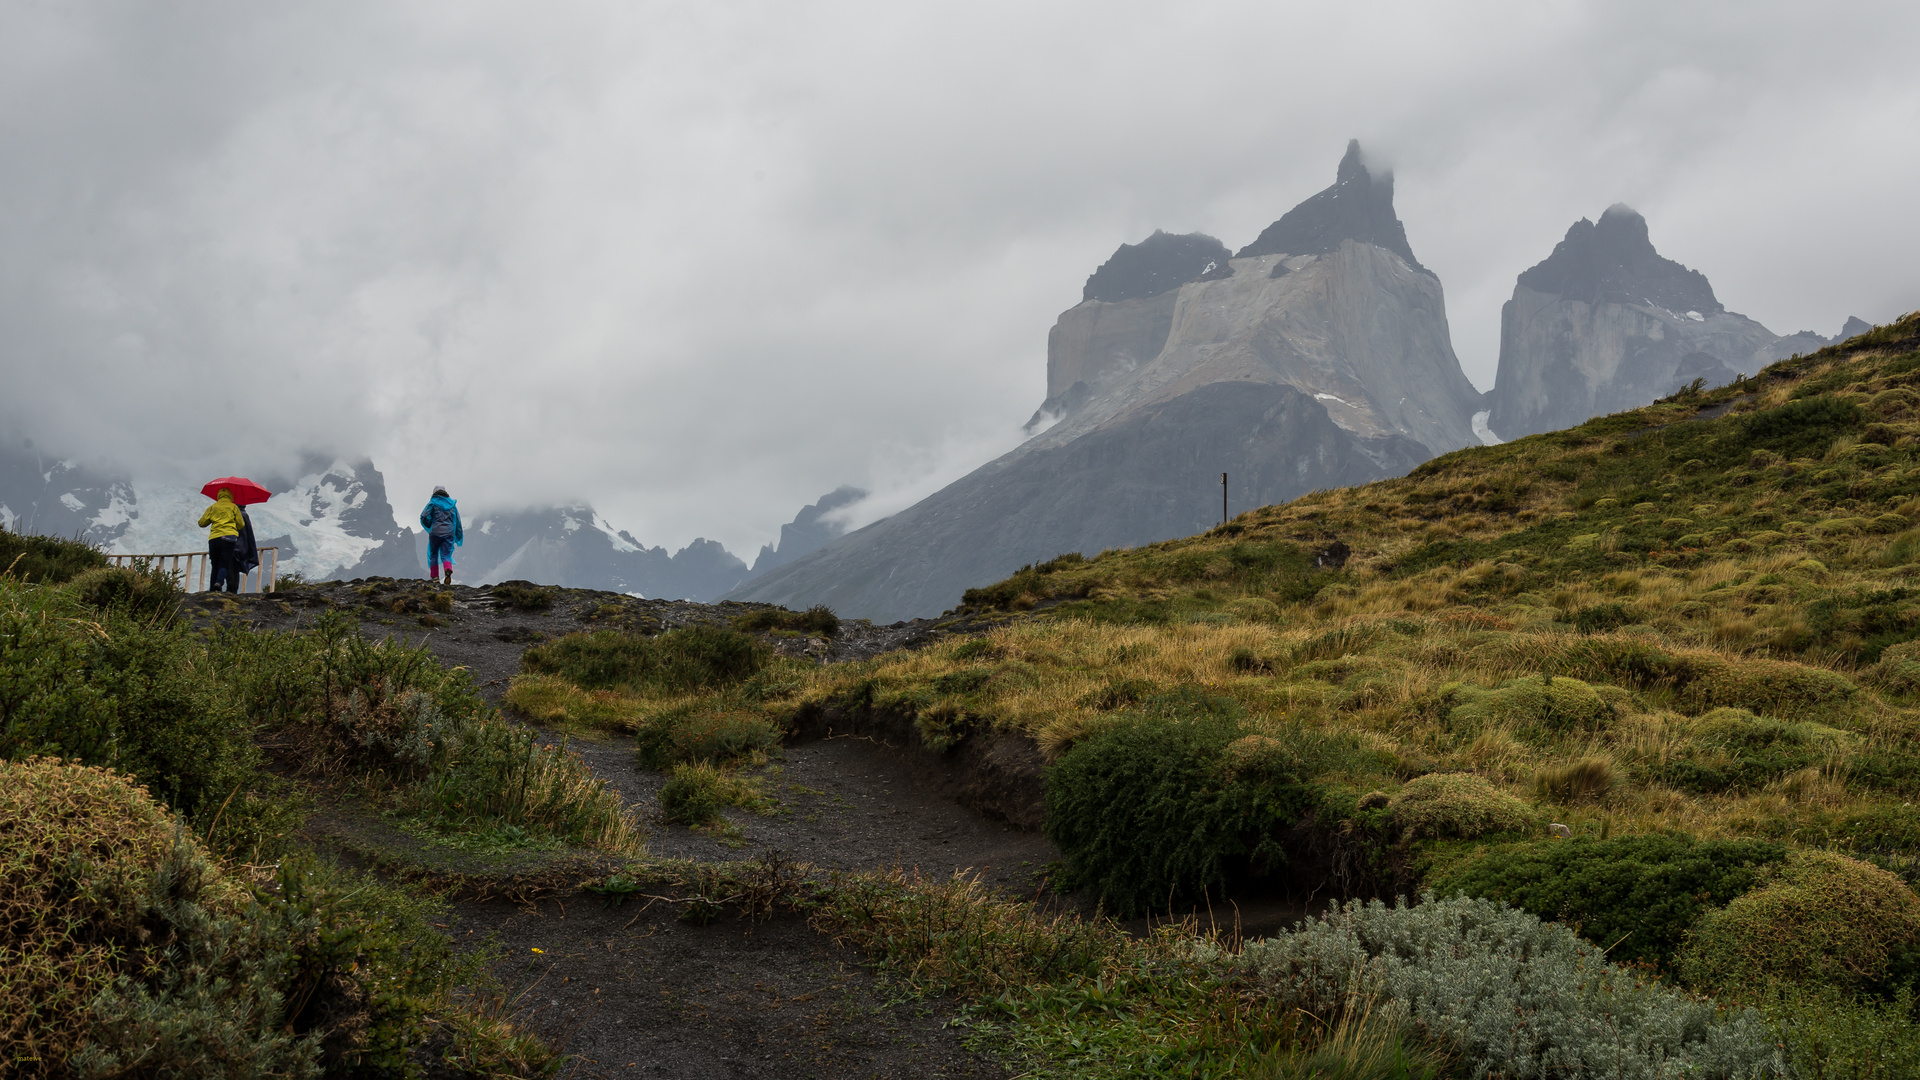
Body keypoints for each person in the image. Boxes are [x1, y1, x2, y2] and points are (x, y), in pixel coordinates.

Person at [197, 487, 246, 593]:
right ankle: (219, 582)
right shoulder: (233, 507)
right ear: (230, 496)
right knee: (224, 563)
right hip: (229, 538)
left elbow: (201, 523)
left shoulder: (212, 507)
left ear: (218, 495)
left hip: (214, 538)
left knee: (214, 564)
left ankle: (212, 589)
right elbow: (241, 524)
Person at [419, 486, 463, 585]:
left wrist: (429, 524)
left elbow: (424, 516)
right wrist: (458, 535)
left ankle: (435, 577)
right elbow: (457, 521)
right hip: (449, 533)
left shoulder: (432, 503)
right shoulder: (452, 504)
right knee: (446, 555)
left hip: (435, 533)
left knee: (433, 554)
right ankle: (448, 569)